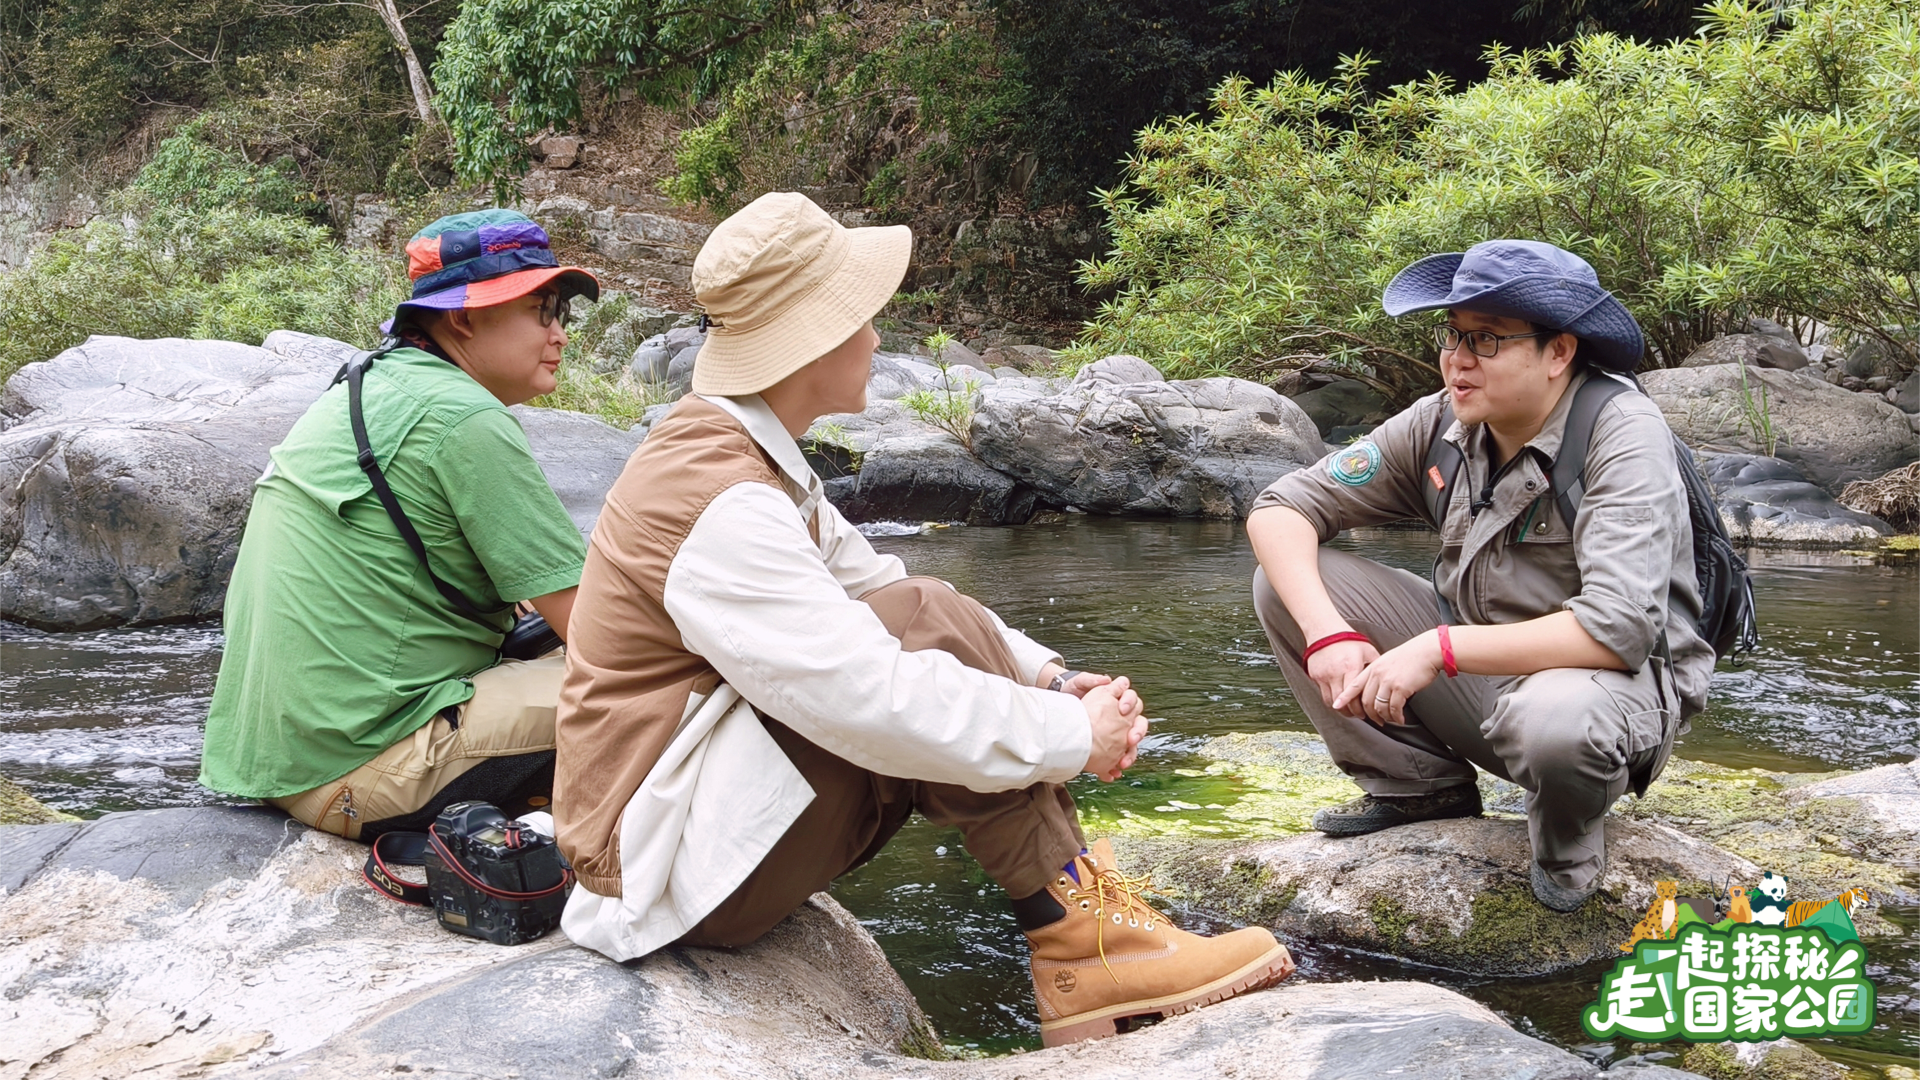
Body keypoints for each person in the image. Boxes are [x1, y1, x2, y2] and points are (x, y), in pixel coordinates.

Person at [553, 192, 1293, 1046]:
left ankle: (1084, 932)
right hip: (655, 870)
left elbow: (896, 591)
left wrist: (1051, 679)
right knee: (913, 631)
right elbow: (870, 695)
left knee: (925, 605)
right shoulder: (719, 497)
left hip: (691, 830)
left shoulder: (742, 457)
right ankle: (1081, 939)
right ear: (811, 341)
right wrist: (1070, 735)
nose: (875, 336)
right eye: (862, 317)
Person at [1245, 239, 1714, 911]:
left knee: (1557, 723)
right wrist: (1327, 635)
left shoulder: (1622, 433)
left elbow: (1619, 628)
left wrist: (1438, 649)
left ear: (1560, 352)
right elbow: (1281, 507)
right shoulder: (1445, 420)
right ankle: (1418, 786)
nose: (1457, 361)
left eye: (1488, 340)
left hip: (1608, 694)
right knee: (1289, 585)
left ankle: (1568, 832)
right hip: (1486, 681)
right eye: (1454, 336)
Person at [198, 209, 597, 840]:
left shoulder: (363, 385)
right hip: (364, 771)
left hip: (278, 763)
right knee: (678, 686)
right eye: (543, 309)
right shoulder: (463, 418)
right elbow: (599, 635)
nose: (560, 334)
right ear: (463, 318)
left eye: (563, 313)